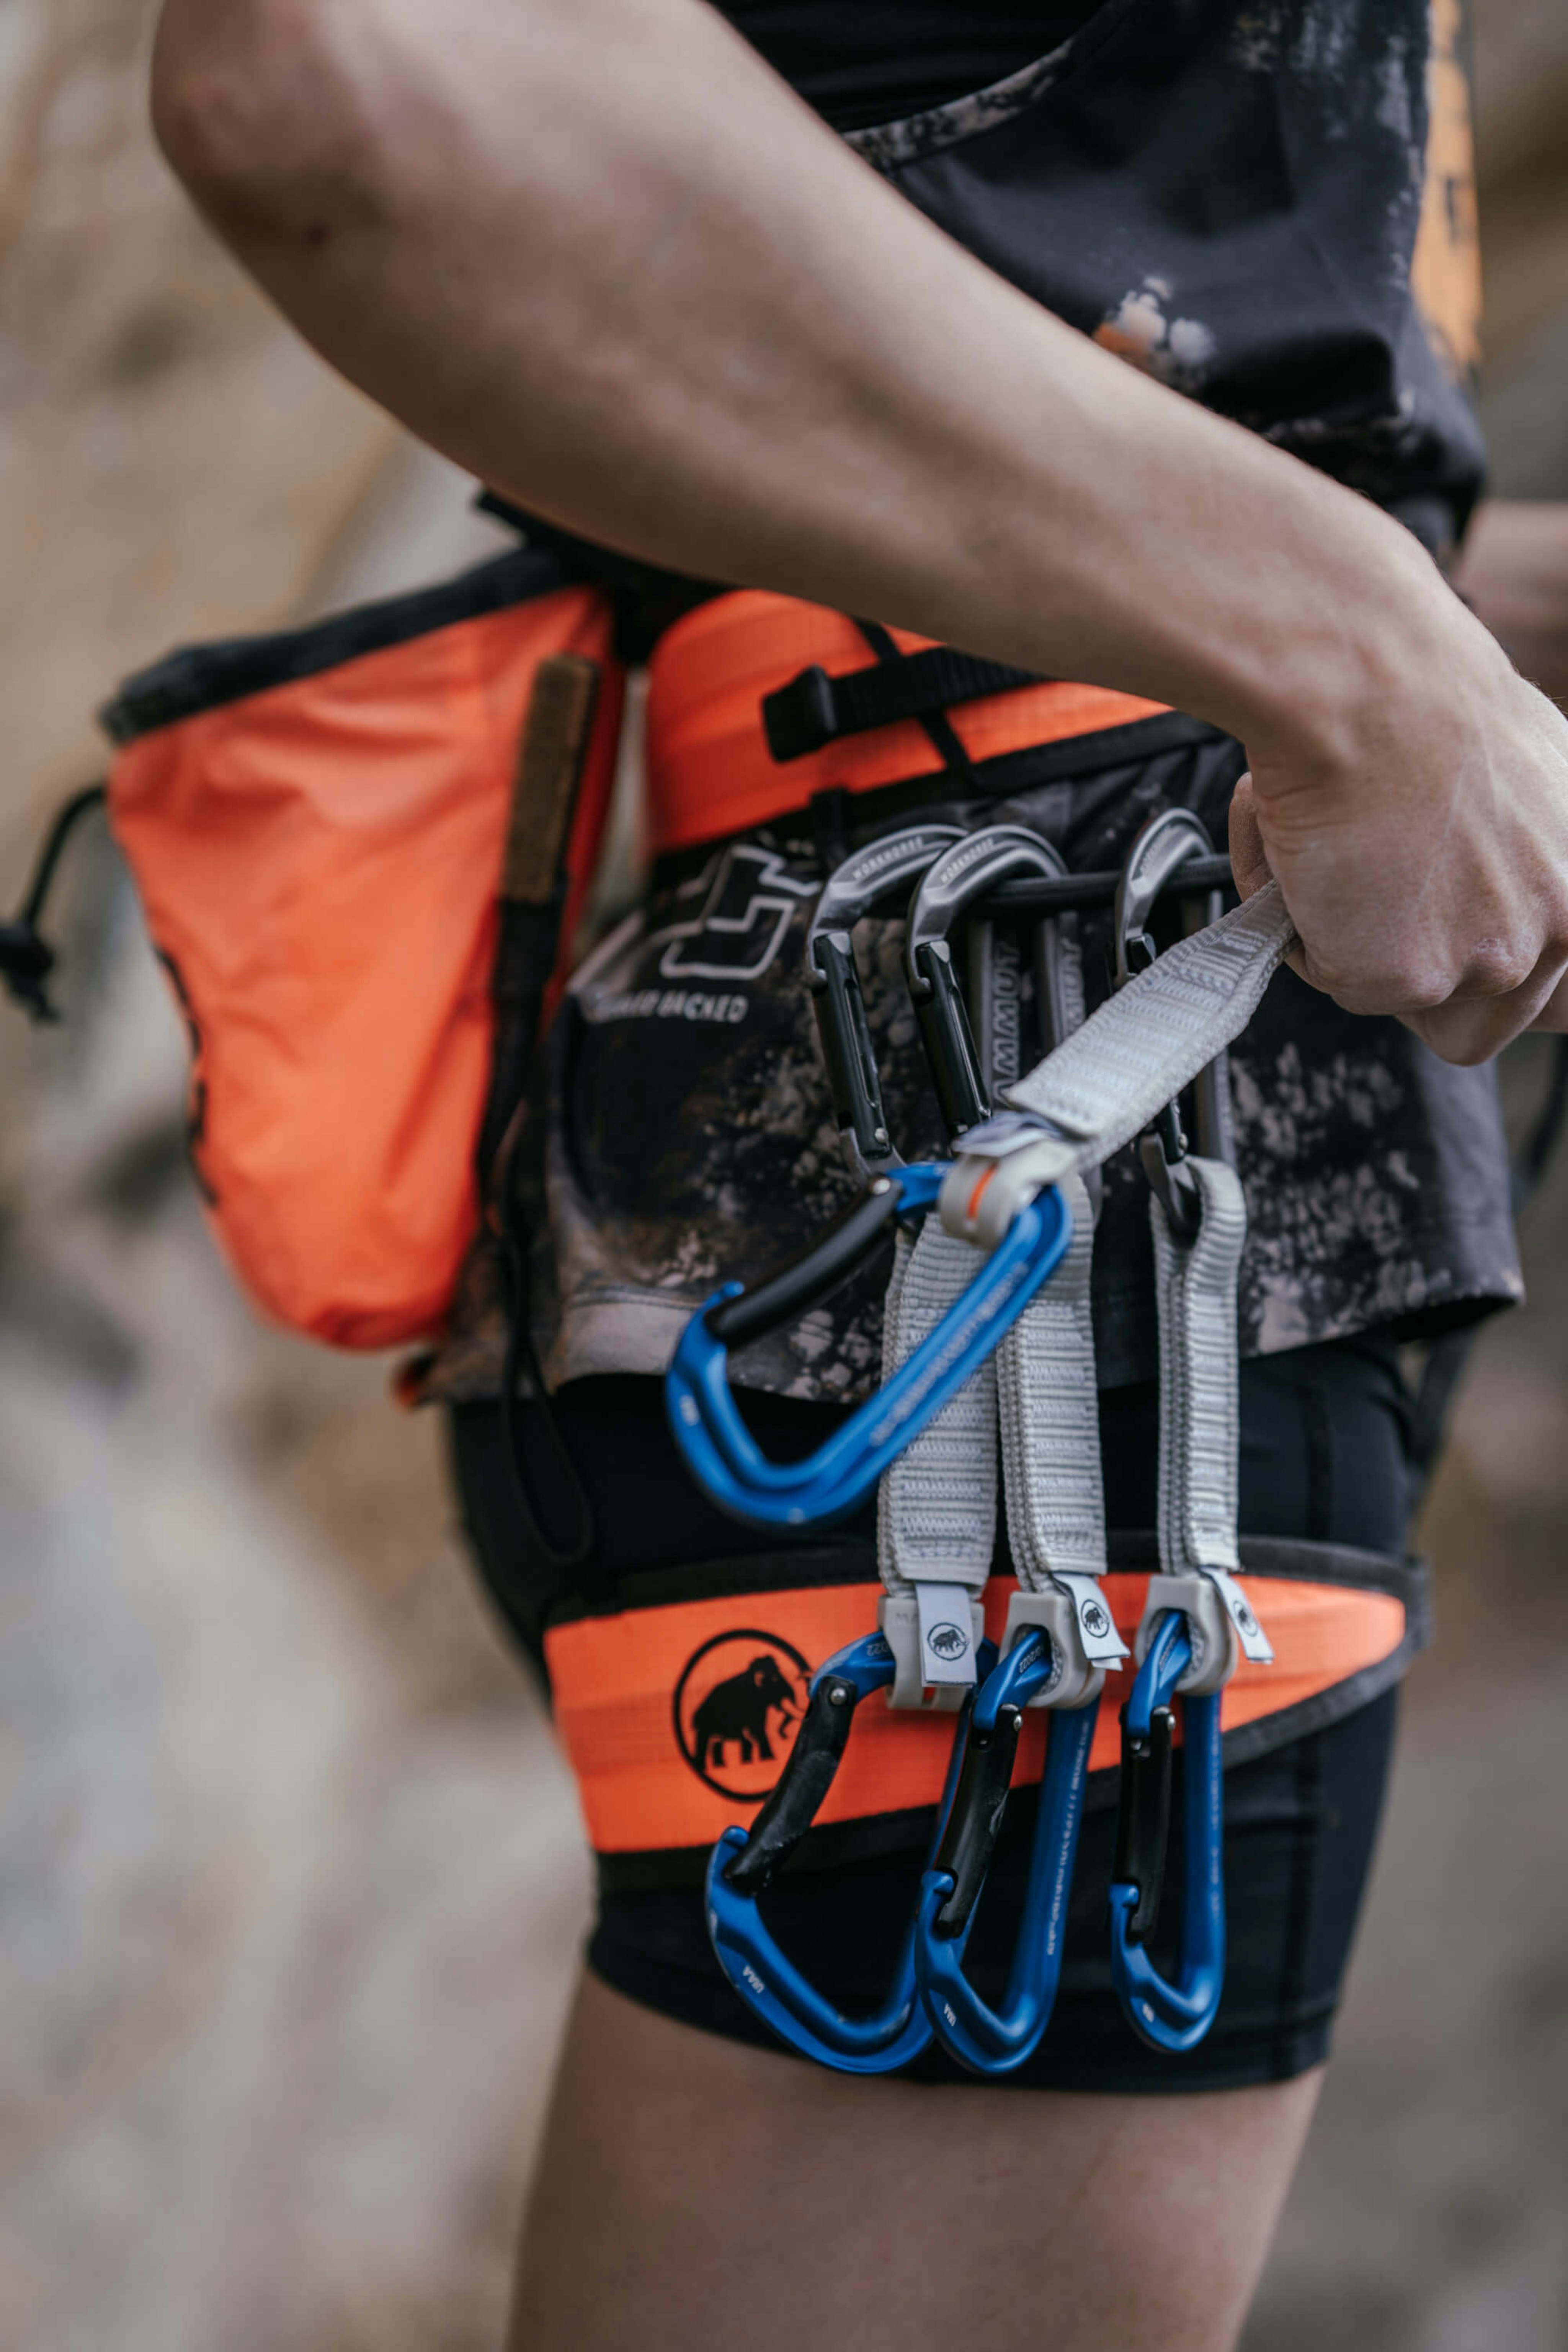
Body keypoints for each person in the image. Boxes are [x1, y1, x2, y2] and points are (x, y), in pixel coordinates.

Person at [145, 3, 1568, 2347]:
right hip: (1031, 1233)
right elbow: (347, 62)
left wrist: (1444, 637)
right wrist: (1357, 662)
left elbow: (1093, 355)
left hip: (999, 1187)